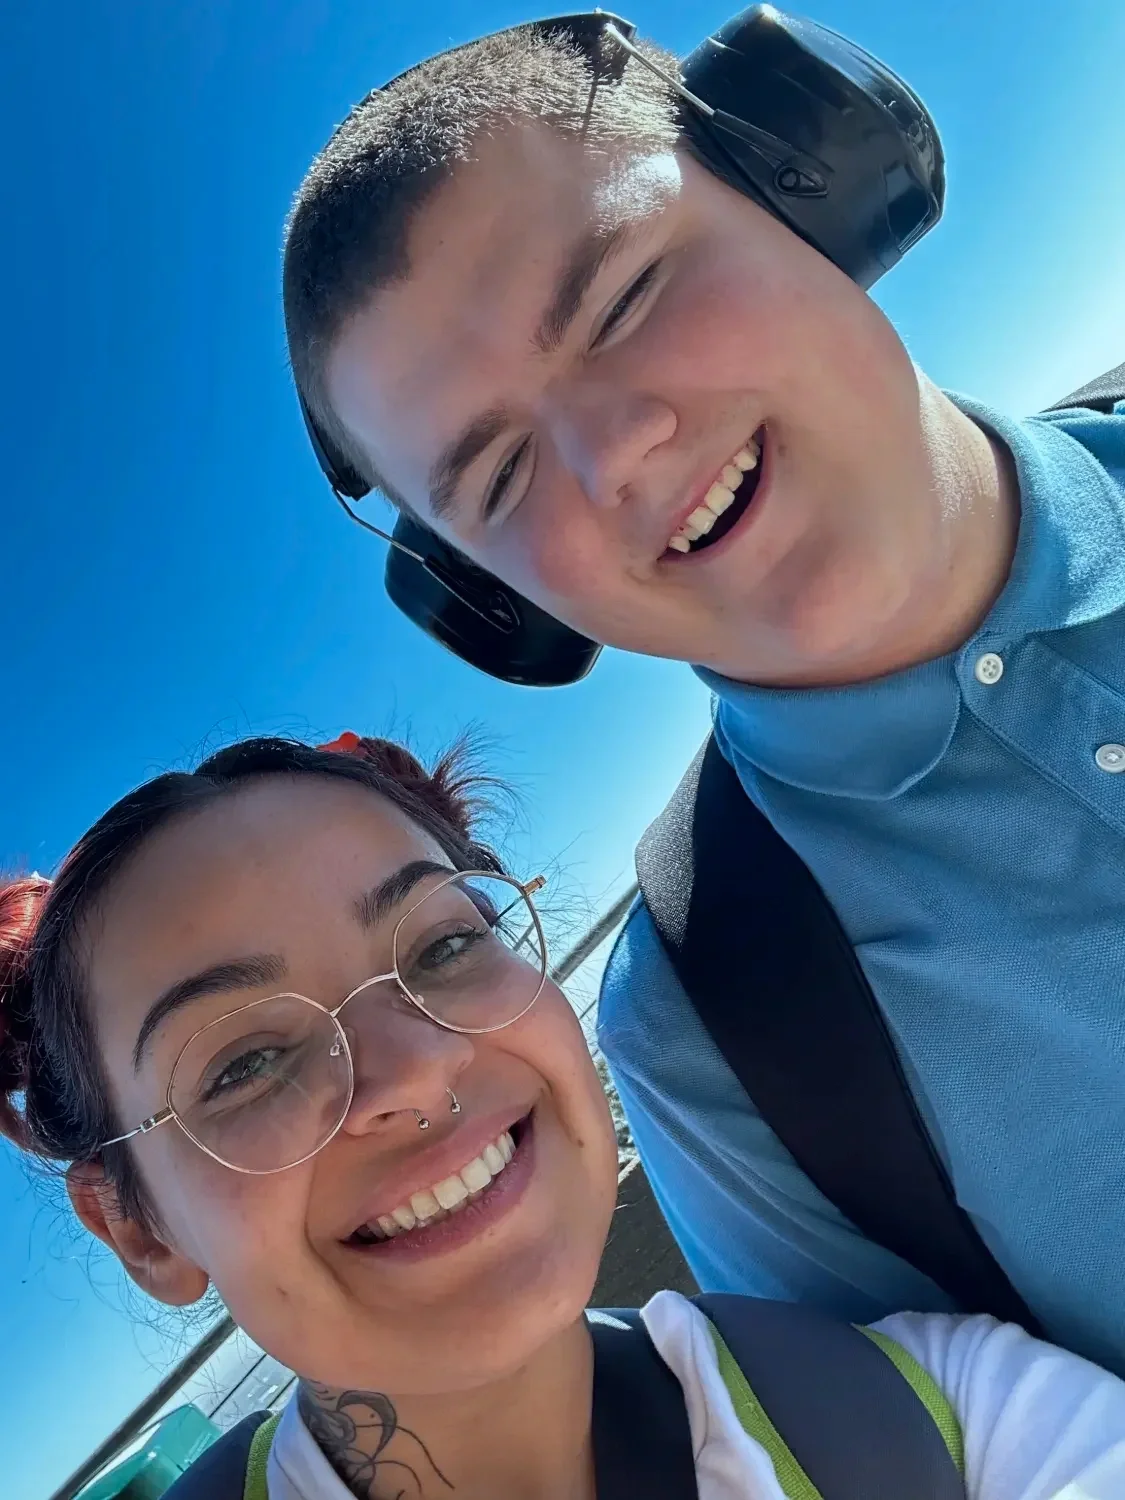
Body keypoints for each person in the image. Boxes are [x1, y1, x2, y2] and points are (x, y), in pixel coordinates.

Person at [279, 11, 1125, 1371]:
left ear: (810, 183)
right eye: (496, 479)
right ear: (504, 608)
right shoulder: (721, 1040)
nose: (615, 453)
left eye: (624, 300)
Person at [4, 729, 1125, 1500]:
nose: (413, 1070)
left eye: (445, 944)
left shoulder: (939, 1415)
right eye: (243, 1062)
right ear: (139, 1230)